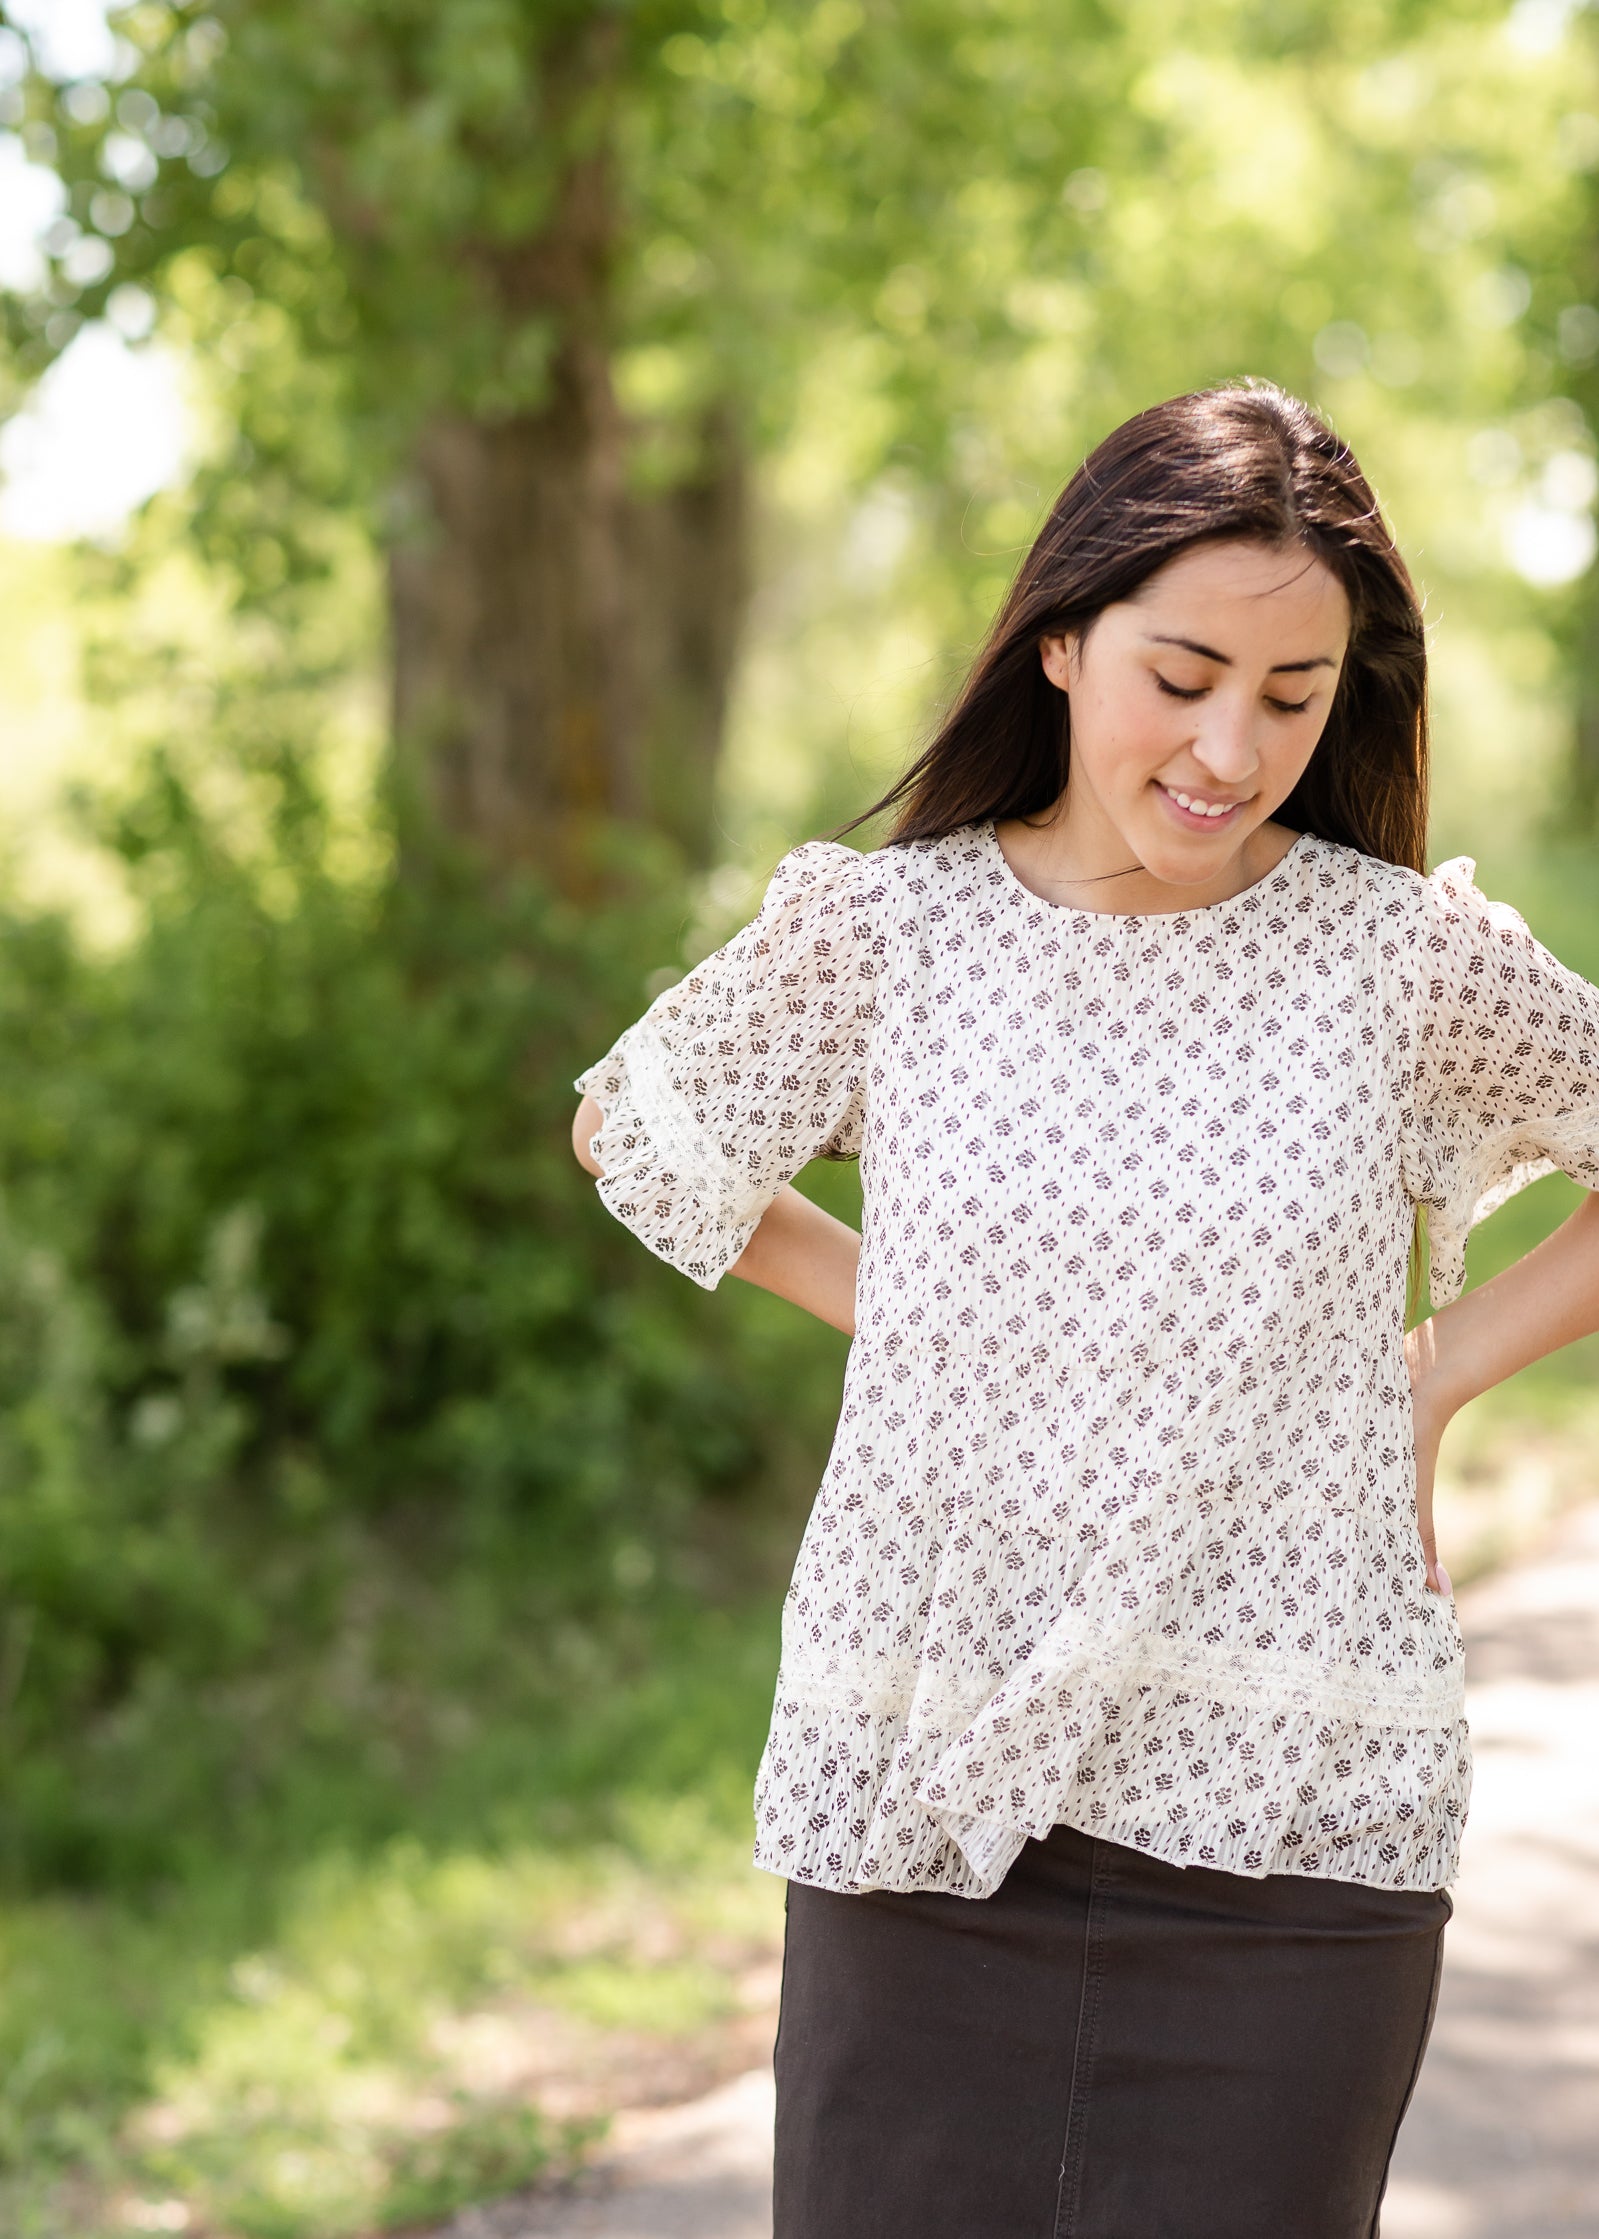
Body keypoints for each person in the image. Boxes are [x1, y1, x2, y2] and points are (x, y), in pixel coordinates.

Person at [569, 380, 1599, 2239]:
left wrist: (1432, 1377)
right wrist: (911, 1305)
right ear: (1060, 638)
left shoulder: (1397, 959)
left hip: (1292, 1823)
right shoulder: (894, 936)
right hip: (925, 1796)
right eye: (1183, 675)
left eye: (1294, 699)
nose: (1231, 747)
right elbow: (641, 1128)